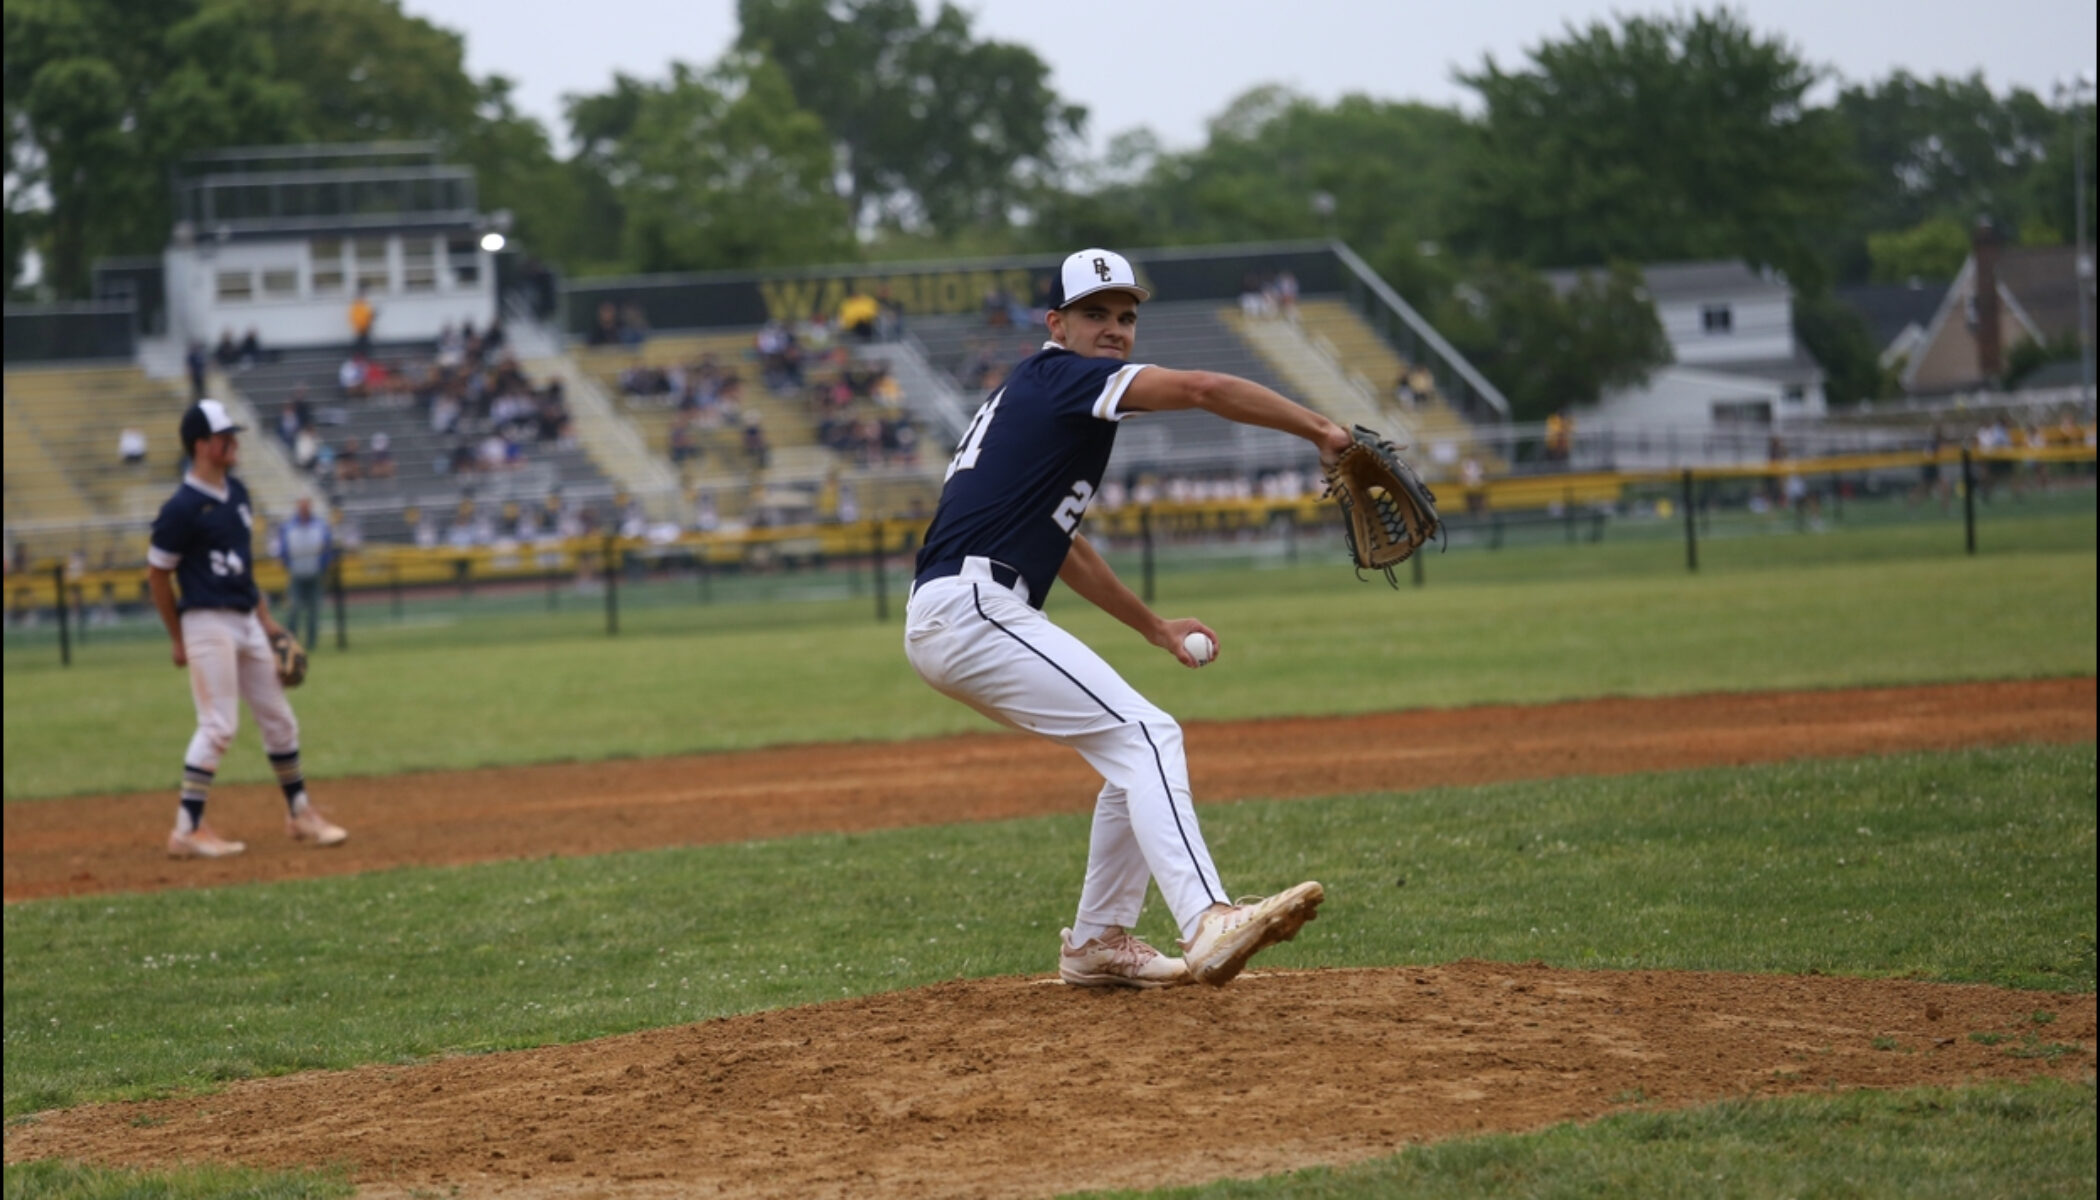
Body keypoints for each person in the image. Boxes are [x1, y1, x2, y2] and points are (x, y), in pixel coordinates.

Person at [903, 248, 1334, 990]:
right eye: (1095, 314)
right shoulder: (1065, 377)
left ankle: (1099, 939)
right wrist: (1325, 431)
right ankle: (1209, 920)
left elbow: (1064, 548)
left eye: (1127, 317)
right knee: (1147, 735)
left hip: (964, 610)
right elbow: (1202, 387)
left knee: (1127, 757)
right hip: (972, 607)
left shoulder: (1041, 396)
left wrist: (1155, 629)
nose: (1114, 328)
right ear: (1056, 324)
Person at [148, 400, 348, 859]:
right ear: (202, 446)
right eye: (224, 438)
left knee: (279, 720)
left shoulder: (237, 494)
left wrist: (267, 620)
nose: (233, 443)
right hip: (204, 620)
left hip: (244, 616)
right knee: (218, 726)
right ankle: (187, 830)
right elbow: (157, 574)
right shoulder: (180, 508)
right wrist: (177, 637)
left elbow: (242, 570)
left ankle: (300, 814)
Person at [274, 496, 332, 649]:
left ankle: (311, 643)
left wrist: (322, 565)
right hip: (296, 573)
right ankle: (292, 641)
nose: (304, 509)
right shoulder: (288, 526)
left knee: (314, 610)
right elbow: (283, 550)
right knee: (293, 608)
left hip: (315, 573)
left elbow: (327, 547)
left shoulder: (320, 525)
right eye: (302, 507)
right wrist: (289, 565)